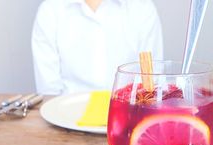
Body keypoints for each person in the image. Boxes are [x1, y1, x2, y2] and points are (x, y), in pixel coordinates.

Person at [32, 0, 163, 95]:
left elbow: (152, 82)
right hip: (64, 118)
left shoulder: (143, 8)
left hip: (128, 116)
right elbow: (49, 91)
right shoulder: (50, 10)